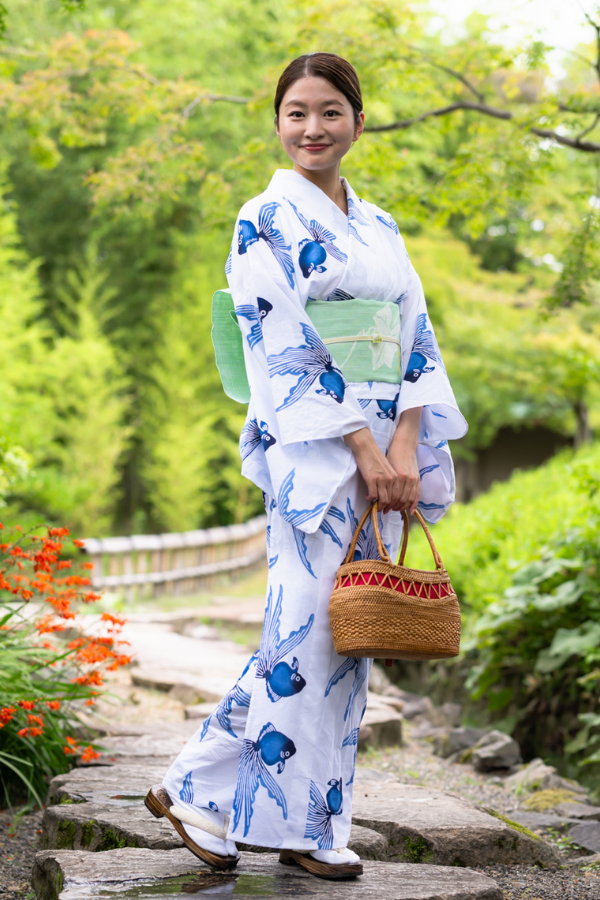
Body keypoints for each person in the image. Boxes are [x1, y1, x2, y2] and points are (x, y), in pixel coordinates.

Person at [145, 51, 467, 880]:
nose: (313, 128)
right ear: (278, 122)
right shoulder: (262, 218)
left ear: (358, 121)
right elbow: (280, 339)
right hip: (317, 445)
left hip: (385, 445)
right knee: (306, 630)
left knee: (347, 634)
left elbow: (416, 333)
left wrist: (404, 444)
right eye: (297, 112)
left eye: (330, 112)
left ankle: (293, 820)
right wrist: (362, 443)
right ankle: (215, 796)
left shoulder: (380, 225)